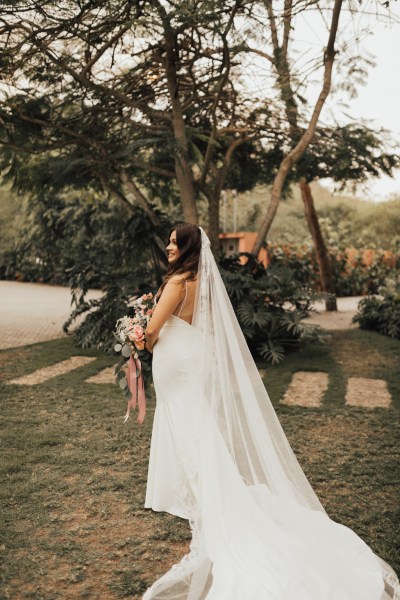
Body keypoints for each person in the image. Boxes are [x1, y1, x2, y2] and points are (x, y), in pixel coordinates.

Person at [143, 223, 399, 600]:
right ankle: (197, 490)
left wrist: (137, 336)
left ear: (187, 248)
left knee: (186, 423)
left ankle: (202, 495)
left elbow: (152, 331)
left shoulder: (178, 283)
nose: (168, 247)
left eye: (173, 242)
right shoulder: (200, 283)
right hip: (188, 358)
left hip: (176, 362)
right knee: (194, 423)